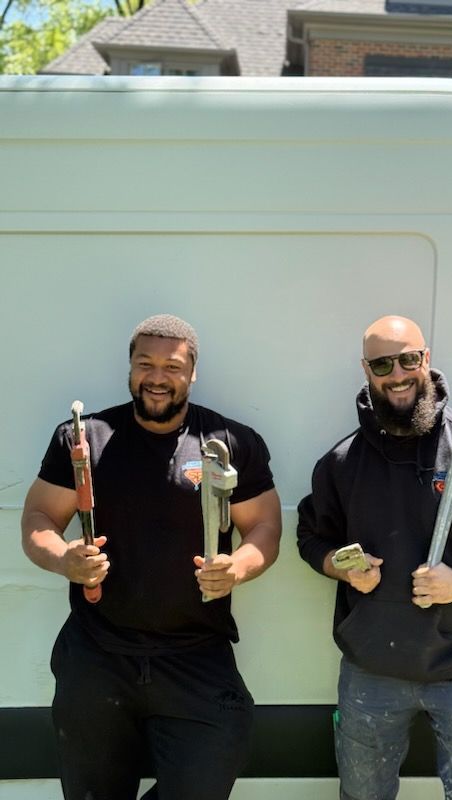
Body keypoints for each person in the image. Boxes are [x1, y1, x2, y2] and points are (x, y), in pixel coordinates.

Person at [21, 314, 281, 800]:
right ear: (130, 367)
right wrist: (64, 559)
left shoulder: (230, 443)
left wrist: (237, 568)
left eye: (173, 367)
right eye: (146, 364)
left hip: (196, 656)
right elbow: (38, 517)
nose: (158, 377)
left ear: (192, 373)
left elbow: (265, 527)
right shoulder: (84, 438)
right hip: (98, 656)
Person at [296, 315, 452, 800]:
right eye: (383, 363)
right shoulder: (342, 463)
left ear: (426, 360)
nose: (398, 374)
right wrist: (344, 569)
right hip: (371, 675)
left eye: (409, 359)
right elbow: (312, 538)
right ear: (366, 371)